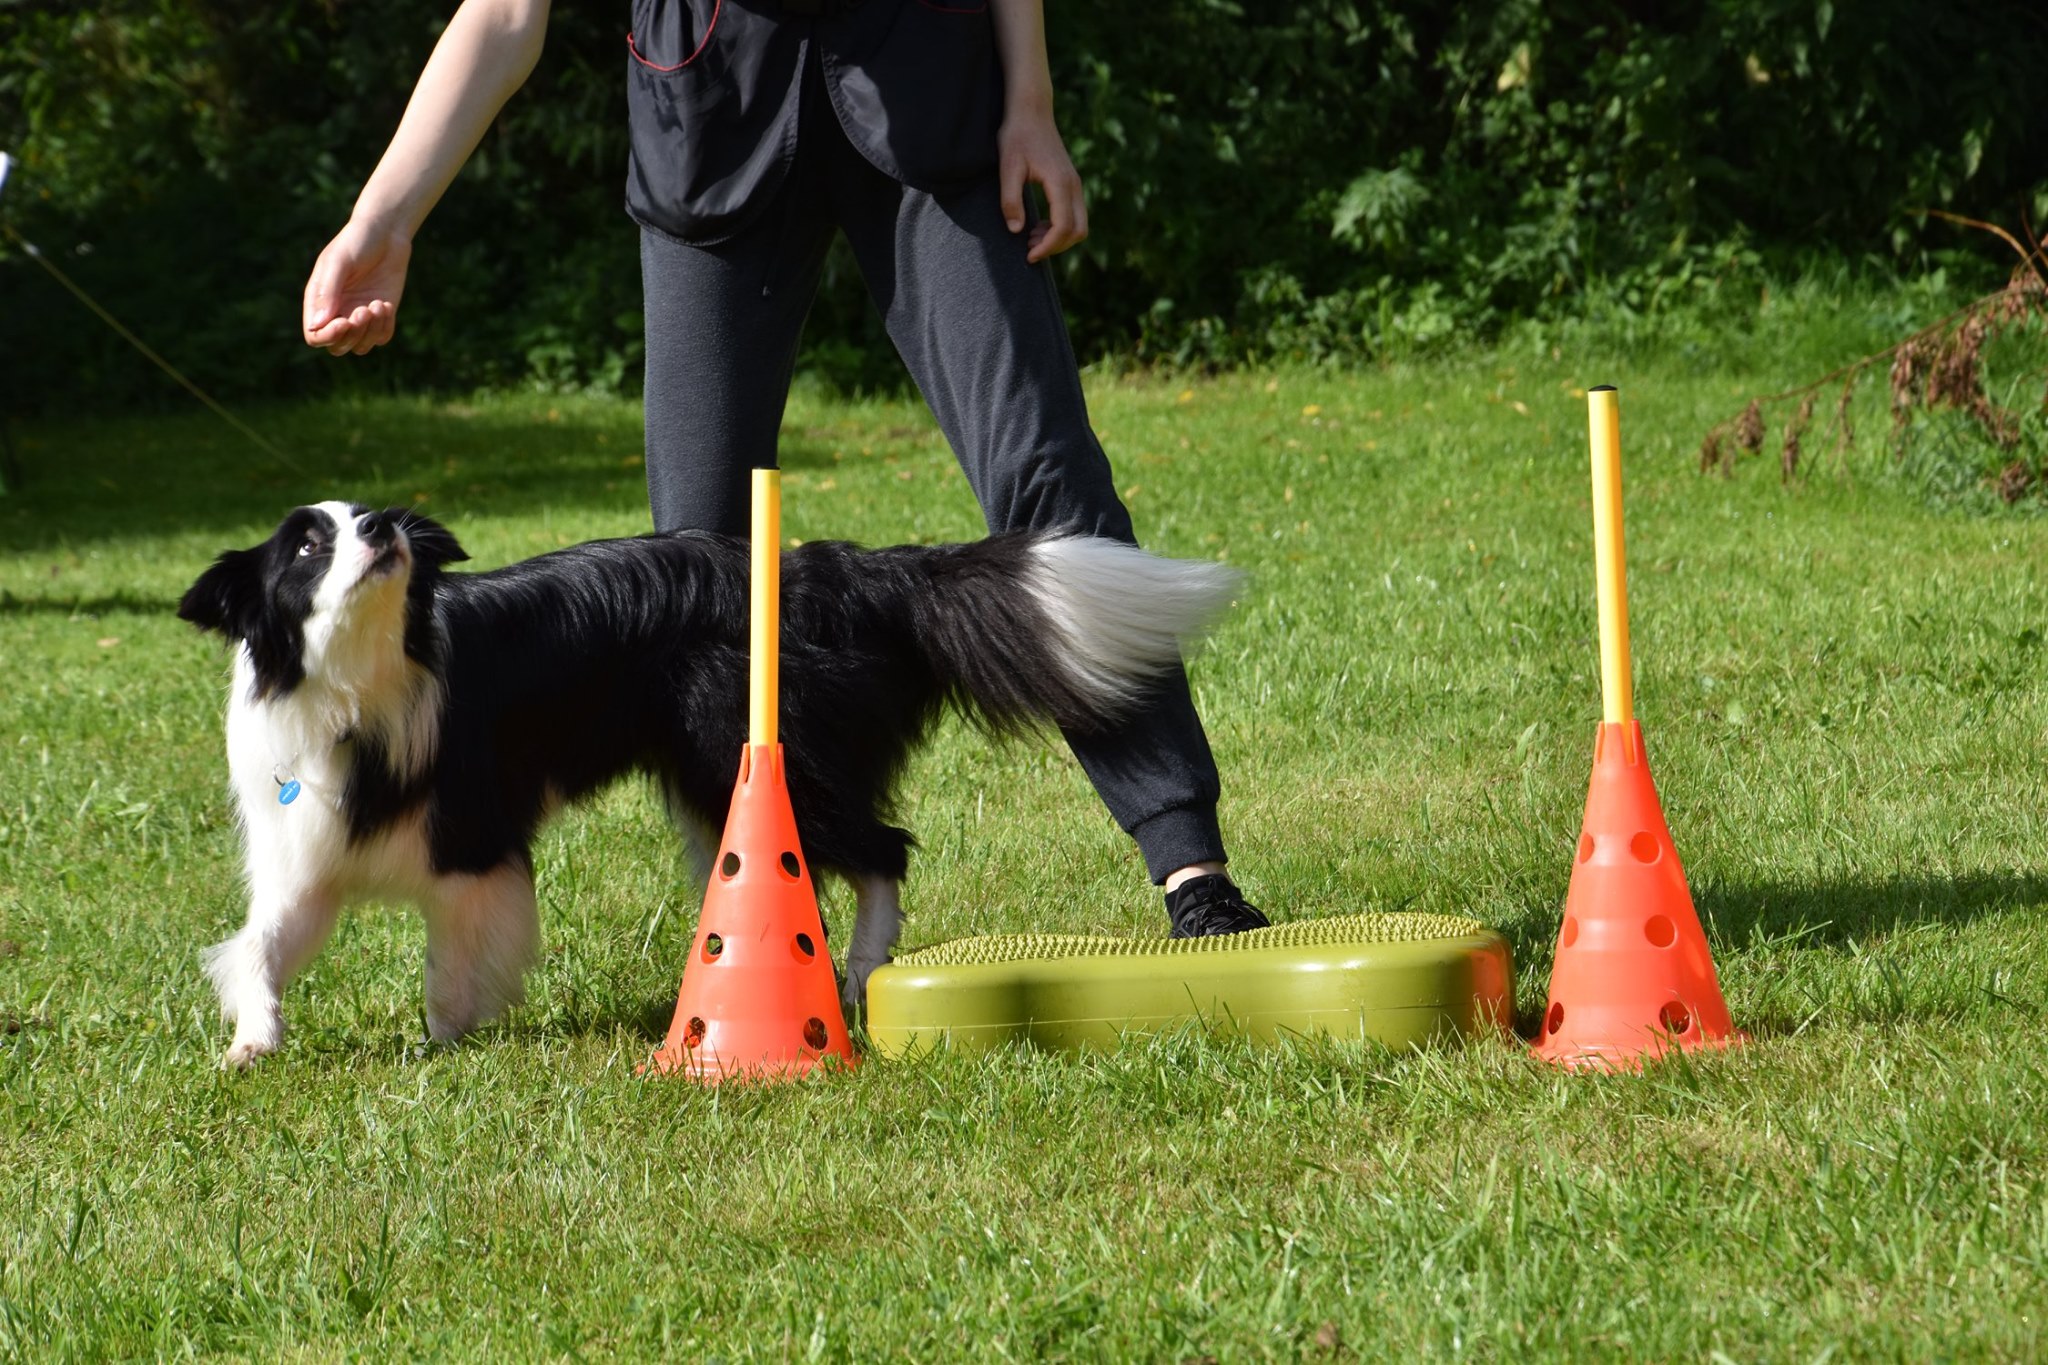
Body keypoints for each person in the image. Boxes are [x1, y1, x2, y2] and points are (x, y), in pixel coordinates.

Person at [300, 0, 1267, 939]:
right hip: (708, 109)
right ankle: (764, 924)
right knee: (697, 564)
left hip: (926, 78)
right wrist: (384, 220)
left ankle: (1192, 867)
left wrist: (1032, 106)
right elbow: (506, 13)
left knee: (1044, 476)